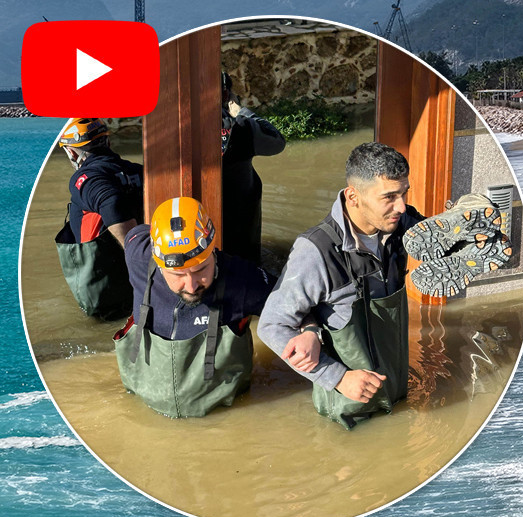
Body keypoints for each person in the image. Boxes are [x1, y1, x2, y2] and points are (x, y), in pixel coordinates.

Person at [258, 142, 427, 430]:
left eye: (403, 194)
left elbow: (437, 241)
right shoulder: (315, 251)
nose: (401, 206)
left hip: (397, 396)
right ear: (353, 196)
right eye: (389, 197)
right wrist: (336, 377)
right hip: (346, 414)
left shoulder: (400, 223)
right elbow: (271, 326)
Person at [113, 197, 274, 418]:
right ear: (157, 260)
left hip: (223, 415)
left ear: (212, 250)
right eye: (178, 275)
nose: (191, 285)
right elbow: (128, 230)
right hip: (141, 407)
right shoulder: (137, 257)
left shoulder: (242, 279)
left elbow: (296, 306)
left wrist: (310, 331)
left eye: (201, 270)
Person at [55, 118, 144, 320]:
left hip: (107, 294)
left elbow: (111, 202)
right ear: (108, 143)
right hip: (140, 288)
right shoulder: (137, 171)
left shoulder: (87, 178)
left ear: (71, 152)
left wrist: (138, 258)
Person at [220, 71, 286, 265]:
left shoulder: (176, 130)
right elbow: (277, 141)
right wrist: (241, 111)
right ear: (225, 95)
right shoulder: (240, 128)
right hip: (240, 243)